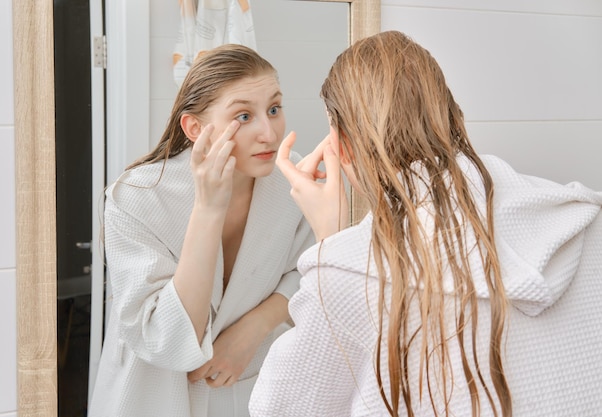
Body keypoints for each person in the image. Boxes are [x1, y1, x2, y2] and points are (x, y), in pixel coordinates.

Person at [249, 30, 602, 416]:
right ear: (451, 115)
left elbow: (280, 408)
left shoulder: (351, 271)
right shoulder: (582, 216)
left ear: (344, 147)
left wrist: (328, 244)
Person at [88, 44, 313, 417]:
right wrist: (209, 208)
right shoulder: (137, 198)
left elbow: (310, 273)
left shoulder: (291, 180)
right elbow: (167, 338)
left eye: (274, 109)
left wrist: (254, 327)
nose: (269, 134)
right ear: (195, 128)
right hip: (153, 398)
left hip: (248, 388)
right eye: (243, 116)